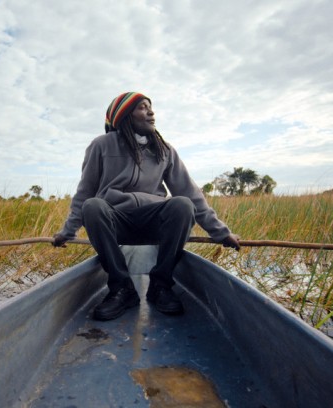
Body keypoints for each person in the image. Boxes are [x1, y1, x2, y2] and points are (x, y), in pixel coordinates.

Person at [53, 92, 240, 321]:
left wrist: (221, 232)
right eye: (142, 107)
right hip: (116, 220)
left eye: (150, 107)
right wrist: (67, 231)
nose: (151, 112)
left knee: (182, 204)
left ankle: (160, 286)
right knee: (93, 206)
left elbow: (189, 191)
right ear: (124, 116)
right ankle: (122, 288)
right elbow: (84, 192)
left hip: (154, 222)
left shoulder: (164, 150)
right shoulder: (101, 145)